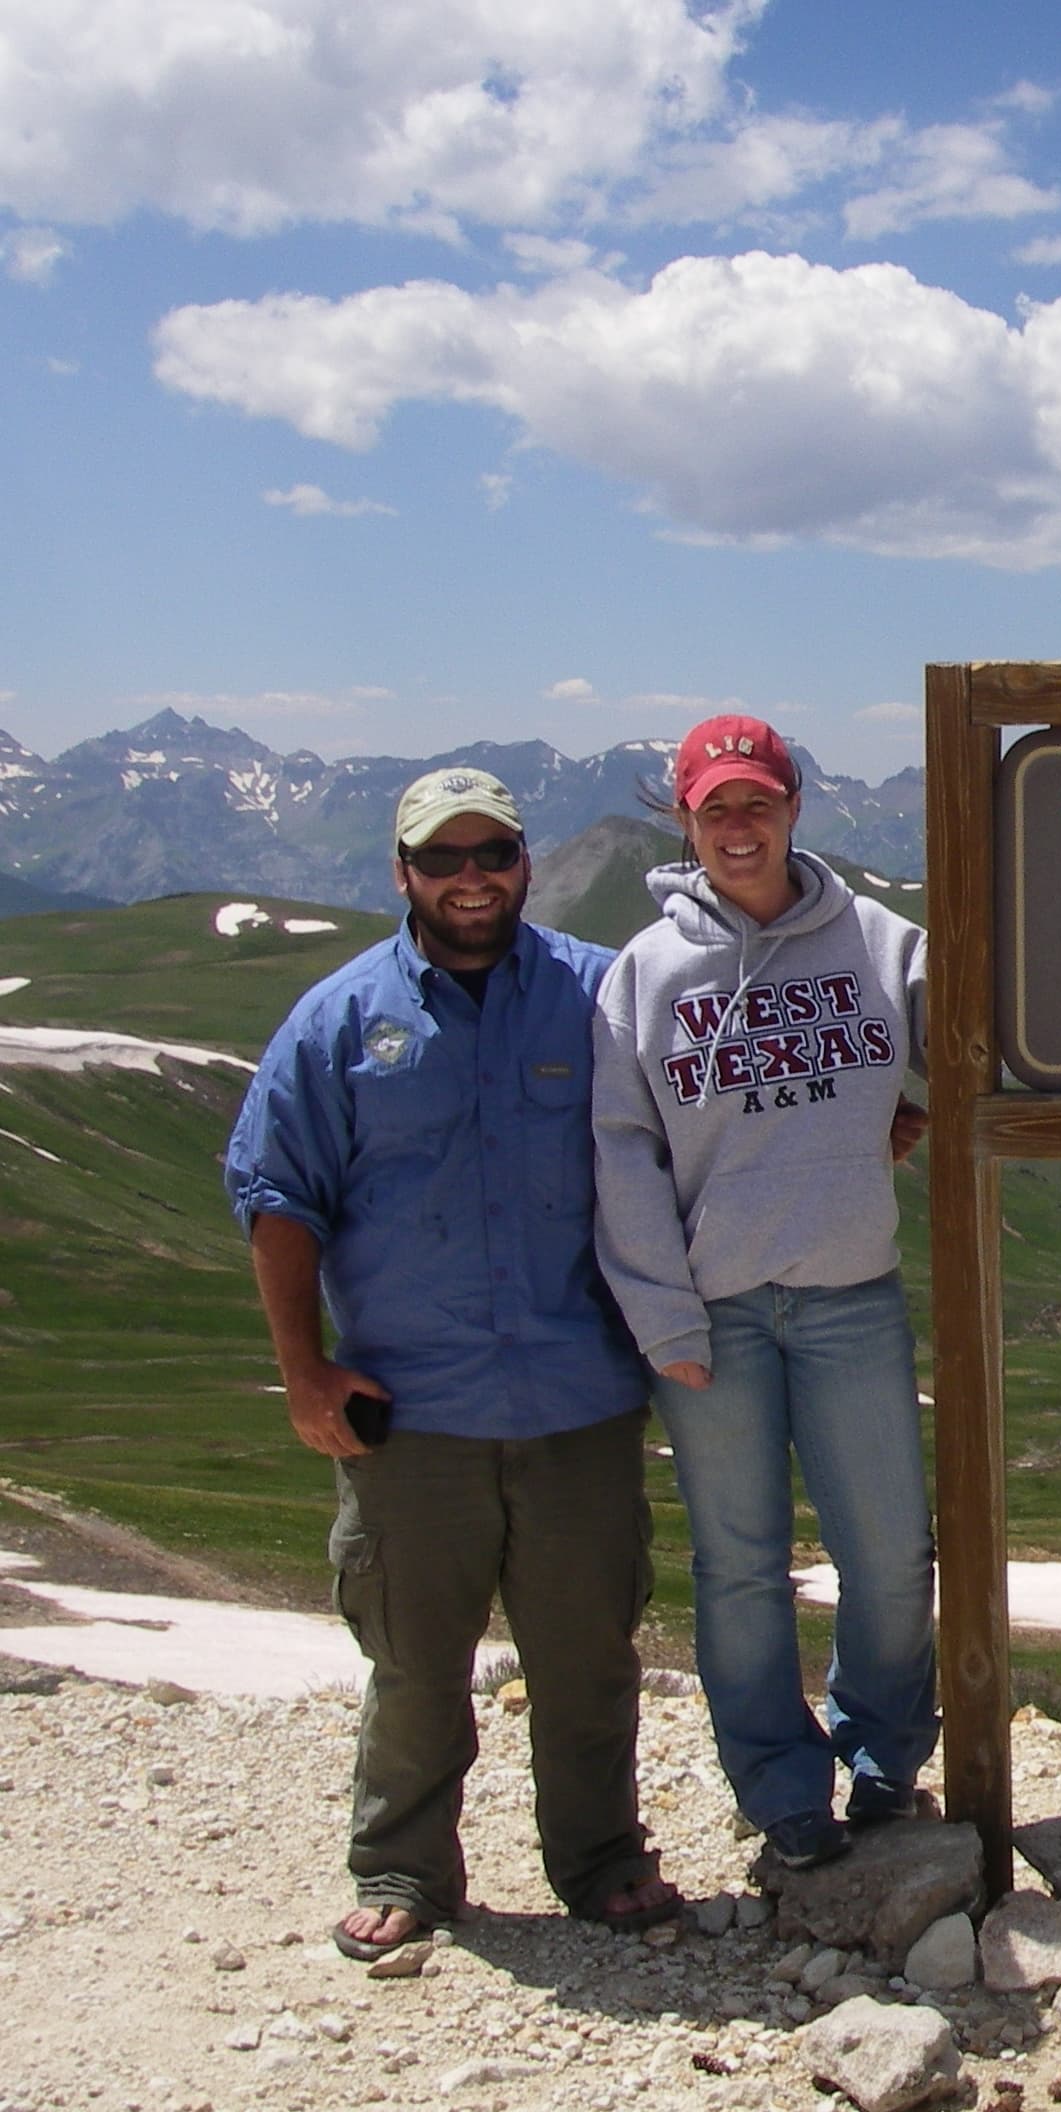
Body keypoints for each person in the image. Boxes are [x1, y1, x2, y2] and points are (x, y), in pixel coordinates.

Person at [224, 768, 681, 1961]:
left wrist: (871, 1120)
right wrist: (303, 1372)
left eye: (493, 853)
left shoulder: (601, 993)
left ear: (525, 862)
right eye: (442, 858)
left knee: (588, 1655)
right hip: (409, 1408)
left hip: (580, 1398)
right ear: (403, 873)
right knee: (415, 1662)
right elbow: (277, 1195)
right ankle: (401, 1869)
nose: (469, 878)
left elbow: (713, 1112)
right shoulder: (337, 1020)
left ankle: (602, 1859)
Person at [591, 714, 937, 1872]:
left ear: (794, 808)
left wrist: (900, 1110)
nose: (738, 828)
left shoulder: (878, 941)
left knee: (888, 1553)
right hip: (715, 1311)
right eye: (714, 810)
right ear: (684, 823)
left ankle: (883, 1760)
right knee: (740, 1565)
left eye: (758, 803)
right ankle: (781, 1788)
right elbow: (622, 1151)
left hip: (850, 1293)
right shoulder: (648, 972)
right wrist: (663, 1316)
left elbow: (978, 1037)